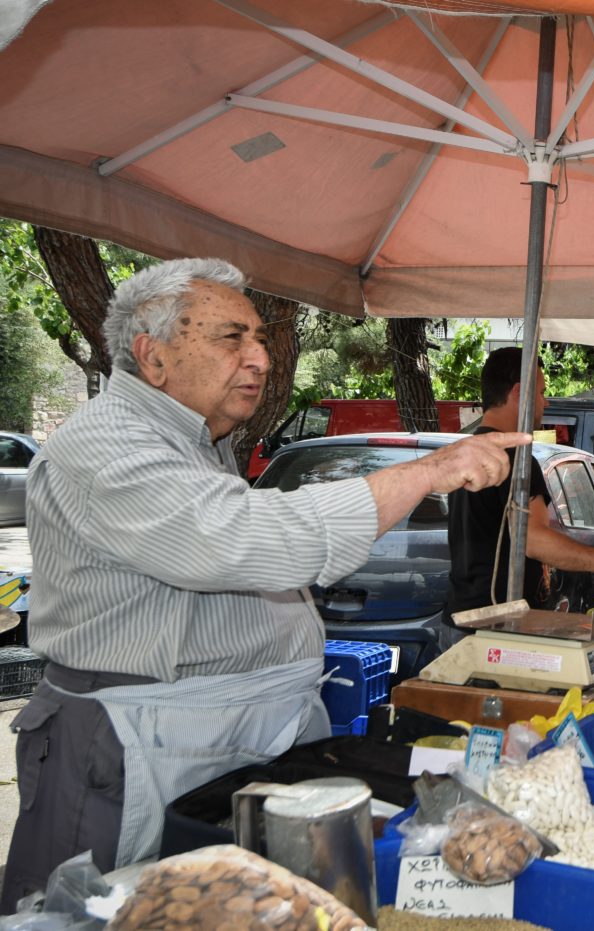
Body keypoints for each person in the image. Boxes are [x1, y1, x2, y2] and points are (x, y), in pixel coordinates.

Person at [0, 258, 531, 912]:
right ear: (153, 355)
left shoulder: (197, 441)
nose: (260, 358)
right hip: (133, 749)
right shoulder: (106, 440)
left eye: (258, 337)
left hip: (210, 742)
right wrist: (428, 471)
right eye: (232, 338)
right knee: (106, 914)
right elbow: (234, 540)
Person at [440, 347, 594, 650]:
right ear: (520, 392)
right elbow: (534, 540)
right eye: (542, 393)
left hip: (460, 621)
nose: (545, 403)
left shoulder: (465, 454)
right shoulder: (517, 459)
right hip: (496, 629)